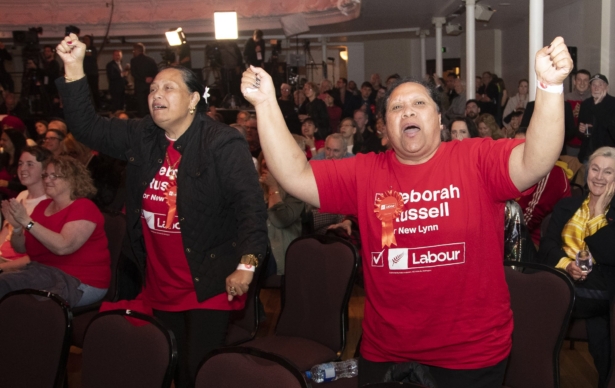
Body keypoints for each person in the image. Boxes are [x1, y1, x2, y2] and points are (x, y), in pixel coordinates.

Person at [241, 36, 572, 387]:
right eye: (396, 108)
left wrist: (549, 87)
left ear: (440, 119)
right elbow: (294, 175)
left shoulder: (474, 159)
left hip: (470, 354)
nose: (408, 111)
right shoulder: (365, 172)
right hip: (386, 352)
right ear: (384, 128)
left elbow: (536, 160)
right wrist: (265, 103)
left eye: (419, 103)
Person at [55, 33, 267, 388]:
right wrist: (75, 67)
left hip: (208, 280)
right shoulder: (144, 135)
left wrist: (246, 265)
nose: (156, 95)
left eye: (169, 89)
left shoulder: (221, 142)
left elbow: (250, 207)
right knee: (170, 366)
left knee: (195, 372)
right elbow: (87, 127)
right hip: (160, 281)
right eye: (153, 90)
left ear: (193, 100)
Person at [538, 146, 615, 388]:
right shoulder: (566, 206)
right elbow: (548, 245)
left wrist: (597, 213)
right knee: (598, 325)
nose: (599, 177)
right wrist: (567, 264)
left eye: (608, 172)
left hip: (601, 287)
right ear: (586, 171)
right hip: (564, 280)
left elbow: (607, 254)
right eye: (595, 169)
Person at [0, 155, 110, 308]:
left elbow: (63, 247)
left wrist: (26, 221)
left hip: (80, 281)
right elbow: (21, 248)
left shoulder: (84, 207)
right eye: (45, 175)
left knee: (13, 296)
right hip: (43, 274)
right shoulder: (42, 206)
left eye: (54, 176)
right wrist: (17, 227)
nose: (46, 180)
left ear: (72, 179)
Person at [0, 146, 51, 271]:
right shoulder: (22, 195)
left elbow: (37, 256)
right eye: (20, 164)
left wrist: (2, 267)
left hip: (20, 267)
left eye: (30, 164)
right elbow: (6, 231)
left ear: (45, 170)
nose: (22, 169)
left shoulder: (49, 202)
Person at [258, 154, 304, 276]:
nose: (266, 166)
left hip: (280, 253)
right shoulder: (253, 188)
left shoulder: (294, 190)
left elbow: (282, 220)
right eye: (264, 164)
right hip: (255, 251)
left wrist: (273, 187)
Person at [0, 129, 27, 200]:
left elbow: (25, 186)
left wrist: (7, 184)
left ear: (14, 141)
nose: (1, 142)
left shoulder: (25, 159)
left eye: (4, 140)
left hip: (19, 199)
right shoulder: (3, 158)